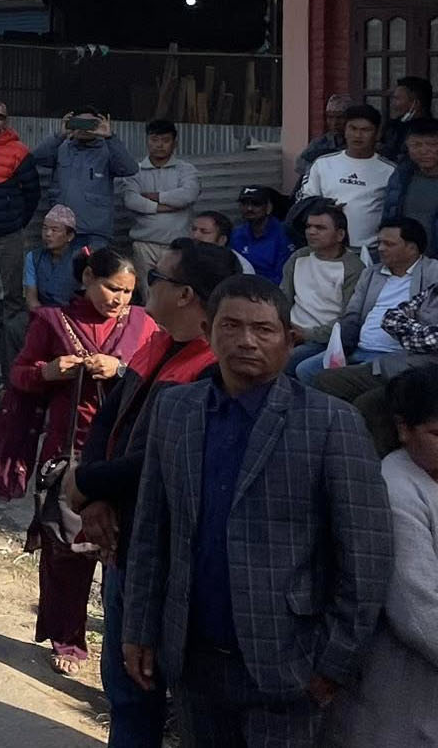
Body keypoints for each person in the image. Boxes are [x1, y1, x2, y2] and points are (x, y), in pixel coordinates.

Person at [120, 275, 393, 747]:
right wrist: (139, 627)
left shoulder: (331, 423)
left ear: (289, 340)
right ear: (207, 331)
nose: (246, 340)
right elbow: (151, 530)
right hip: (193, 657)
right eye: (231, 325)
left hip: (288, 662)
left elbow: (365, 555)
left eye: (263, 330)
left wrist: (334, 661)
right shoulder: (176, 410)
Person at [73, 240, 235, 746]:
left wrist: (86, 483)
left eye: (157, 276)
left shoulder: (216, 368)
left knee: (156, 687)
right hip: (120, 531)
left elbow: (163, 460)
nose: (147, 284)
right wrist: (95, 495)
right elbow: (108, 419)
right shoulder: (159, 341)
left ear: (185, 294)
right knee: (123, 685)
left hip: (161, 547)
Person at [0, 246, 154, 676]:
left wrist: (120, 369)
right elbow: (20, 373)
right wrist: (48, 372)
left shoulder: (144, 325)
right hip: (69, 454)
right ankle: (68, 640)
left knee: (120, 553)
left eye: (127, 292)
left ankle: (121, 648)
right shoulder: (52, 321)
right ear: (87, 279)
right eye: (111, 288)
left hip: (126, 456)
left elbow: (155, 382)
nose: (119, 300)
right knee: (66, 551)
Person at [324, 368, 438, 747]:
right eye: (437, 434)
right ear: (404, 429)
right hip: (404, 696)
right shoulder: (395, 488)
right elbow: (418, 610)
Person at [294, 217, 437, 389]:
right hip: (358, 348)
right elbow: (352, 316)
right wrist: (341, 349)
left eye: (389, 244)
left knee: (331, 380)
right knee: (306, 370)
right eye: (379, 243)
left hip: (396, 355)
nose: (381, 249)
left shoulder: (432, 273)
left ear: (412, 248)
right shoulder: (371, 273)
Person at [30, 108, 136, 249]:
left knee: (93, 264)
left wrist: (110, 137)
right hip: (62, 229)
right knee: (62, 264)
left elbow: (129, 169)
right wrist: (60, 135)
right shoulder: (61, 148)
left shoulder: (108, 150)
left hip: (94, 232)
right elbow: (35, 158)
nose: (84, 128)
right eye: (79, 123)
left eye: (89, 124)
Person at [297, 103, 394, 250]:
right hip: (328, 249)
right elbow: (305, 203)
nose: (358, 135)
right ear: (345, 130)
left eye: (365, 130)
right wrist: (325, 208)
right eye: (353, 128)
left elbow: (394, 212)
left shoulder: (390, 170)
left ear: (377, 133)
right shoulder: (322, 164)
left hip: (371, 251)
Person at [280, 204, 362, 372]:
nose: (311, 232)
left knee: (282, 361)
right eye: (309, 226)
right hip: (288, 332)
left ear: (340, 235)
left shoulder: (354, 268)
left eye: (320, 228)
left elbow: (348, 319)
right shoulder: (298, 257)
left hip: (323, 340)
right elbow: (282, 298)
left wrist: (307, 335)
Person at [120, 118, 200, 280]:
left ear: (175, 143)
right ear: (147, 141)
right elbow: (131, 200)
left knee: (176, 289)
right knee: (147, 291)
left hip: (178, 246)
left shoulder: (186, 169)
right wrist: (164, 206)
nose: (159, 145)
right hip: (144, 244)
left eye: (165, 140)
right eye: (154, 140)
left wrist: (155, 196)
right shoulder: (135, 170)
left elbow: (188, 194)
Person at [383, 115, 438, 255]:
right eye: (416, 145)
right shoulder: (401, 177)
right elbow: (389, 216)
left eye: (432, 144)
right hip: (405, 257)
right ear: (407, 147)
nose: (424, 151)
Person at [24, 204, 88, 312]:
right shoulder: (33, 257)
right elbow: (31, 299)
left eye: (54, 230)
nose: (48, 234)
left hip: (73, 314)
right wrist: (47, 316)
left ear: (70, 236)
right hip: (43, 314)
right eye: (45, 228)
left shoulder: (81, 258)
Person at [229, 185, 292, 282]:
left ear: (269, 207)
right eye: (244, 204)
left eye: (256, 204)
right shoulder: (236, 234)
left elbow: (284, 277)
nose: (249, 208)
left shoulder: (284, 235)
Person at [295, 93, 352, 184]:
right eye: (330, 117)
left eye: (340, 117)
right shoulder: (320, 143)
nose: (334, 123)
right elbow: (300, 164)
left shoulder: (356, 143)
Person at [189, 210, 257, 276]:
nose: (195, 236)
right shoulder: (186, 256)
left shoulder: (240, 267)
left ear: (222, 240)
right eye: (194, 229)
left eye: (204, 232)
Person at [382, 74, 433, 160]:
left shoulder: (432, 131)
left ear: (415, 103)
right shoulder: (392, 127)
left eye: (397, 99)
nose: (393, 104)